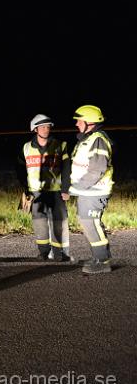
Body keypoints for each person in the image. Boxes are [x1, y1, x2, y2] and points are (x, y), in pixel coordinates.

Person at [17, 114, 72, 262]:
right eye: (42, 127)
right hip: (35, 192)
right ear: (35, 129)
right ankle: (43, 252)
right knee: (39, 222)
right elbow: (21, 170)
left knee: (59, 222)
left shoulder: (61, 146)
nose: (46, 129)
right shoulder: (26, 147)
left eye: (48, 127)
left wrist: (66, 189)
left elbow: (67, 169)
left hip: (56, 191)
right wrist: (25, 189)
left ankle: (61, 253)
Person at [69, 105, 114, 275]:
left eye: (79, 120)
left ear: (89, 122)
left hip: (95, 191)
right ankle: (98, 257)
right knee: (88, 224)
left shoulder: (97, 140)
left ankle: (103, 261)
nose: (77, 124)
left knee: (92, 224)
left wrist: (76, 187)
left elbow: (97, 169)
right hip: (88, 191)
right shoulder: (89, 139)